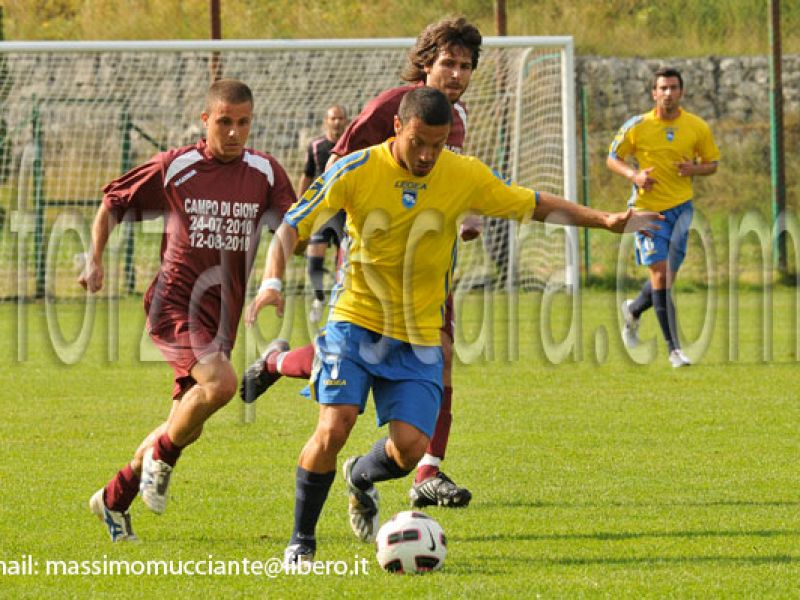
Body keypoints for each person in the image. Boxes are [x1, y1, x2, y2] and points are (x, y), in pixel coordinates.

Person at [245, 87, 662, 563]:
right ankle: (301, 542)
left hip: (419, 333)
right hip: (355, 320)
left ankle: (360, 476)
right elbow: (292, 225)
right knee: (334, 426)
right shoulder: (356, 169)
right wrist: (271, 281)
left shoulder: (463, 174)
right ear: (398, 127)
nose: (428, 155)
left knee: (410, 449)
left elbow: (534, 203)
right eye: (419, 142)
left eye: (438, 144)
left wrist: (605, 220)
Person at [240, 15, 483, 509]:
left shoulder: (457, 118)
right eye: (448, 63)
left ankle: (427, 470)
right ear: (426, 63)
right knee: (356, 349)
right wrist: (332, 225)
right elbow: (336, 166)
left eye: (465, 66)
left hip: (429, 270)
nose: (457, 74)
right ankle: (279, 362)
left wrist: (468, 212)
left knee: (441, 356)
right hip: (370, 261)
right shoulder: (389, 107)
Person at [80, 79, 296, 542]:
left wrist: (272, 281)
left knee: (185, 425)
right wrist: (94, 259)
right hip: (174, 304)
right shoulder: (176, 166)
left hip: (223, 315)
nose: (234, 132)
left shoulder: (265, 172)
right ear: (205, 120)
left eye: (243, 123)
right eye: (224, 122)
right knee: (221, 385)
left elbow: (289, 225)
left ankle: (113, 499)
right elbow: (114, 201)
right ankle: (162, 459)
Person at [608, 67, 720, 367]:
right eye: (663, 88)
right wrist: (634, 175)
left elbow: (712, 163)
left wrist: (694, 169)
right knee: (659, 274)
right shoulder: (638, 125)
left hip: (681, 209)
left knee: (665, 279)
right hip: (646, 211)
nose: (668, 93)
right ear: (654, 93)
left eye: (673, 88)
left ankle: (633, 310)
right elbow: (612, 158)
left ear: (681, 92)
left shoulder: (696, 127)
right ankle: (675, 350)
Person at [299, 105, 349, 324]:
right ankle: (319, 299)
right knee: (313, 261)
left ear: (347, 121)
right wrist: (301, 207)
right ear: (326, 121)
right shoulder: (316, 146)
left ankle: (340, 304)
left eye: (340, 118)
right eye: (333, 118)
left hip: (345, 212)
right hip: (322, 212)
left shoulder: (353, 146)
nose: (337, 122)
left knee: (345, 263)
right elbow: (307, 176)